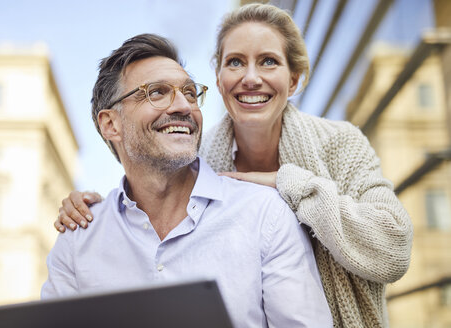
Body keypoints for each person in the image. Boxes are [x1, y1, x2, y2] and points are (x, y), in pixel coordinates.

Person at [55, 4, 413, 327]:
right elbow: (150, 177)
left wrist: (290, 183)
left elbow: (393, 250)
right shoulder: (194, 157)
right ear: (221, 80)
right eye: (235, 62)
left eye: (269, 61)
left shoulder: (338, 144)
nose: (250, 77)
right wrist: (98, 216)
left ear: (294, 80)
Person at [41, 33, 332, 328]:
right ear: (110, 124)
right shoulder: (78, 239)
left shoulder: (265, 215)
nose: (183, 106)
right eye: (156, 92)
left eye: (190, 93)